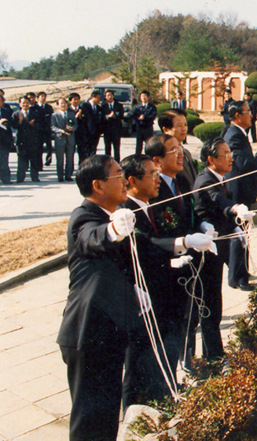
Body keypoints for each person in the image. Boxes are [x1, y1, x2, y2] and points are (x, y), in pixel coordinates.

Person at [56, 155, 139, 441]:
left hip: (108, 331)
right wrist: (113, 231)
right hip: (86, 333)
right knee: (88, 420)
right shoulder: (84, 216)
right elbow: (91, 238)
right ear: (98, 186)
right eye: (118, 175)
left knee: (105, 418)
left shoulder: (114, 212)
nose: (125, 179)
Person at [120, 154, 213, 406]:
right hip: (146, 299)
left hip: (168, 293)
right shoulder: (126, 212)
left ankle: (164, 399)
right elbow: (145, 244)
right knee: (140, 364)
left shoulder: (154, 205)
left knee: (167, 354)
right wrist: (182, 243)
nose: (157, 178)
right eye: (151, 174)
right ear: (132, 181)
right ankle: (134, 417)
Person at [188, 138, 256, 361]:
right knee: (209, 305)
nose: (231, 158)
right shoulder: (206, 179)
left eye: (230, 153)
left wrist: (235, 227)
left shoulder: (219, 177)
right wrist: (236, 208)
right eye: (225, 154)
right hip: (206, 252)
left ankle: (213, 354)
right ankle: (213, 357)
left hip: (218, 245)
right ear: (211, 159)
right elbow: (217, 201)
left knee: (213, 304)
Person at [223, 100, 257, 289]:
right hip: (237, 191)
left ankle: (242, 271)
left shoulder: (240, 133)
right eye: (247, 111)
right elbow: (243, 163)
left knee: (243, 234)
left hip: (243, 190)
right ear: (237, 116)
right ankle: (237, 278)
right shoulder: (233, 135)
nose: (251, 114)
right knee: (238, 235)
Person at [159, 109, 196, 190]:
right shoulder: (164, 155)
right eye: (179, 125)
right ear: (166, 130)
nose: (184, 129)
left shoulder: (186, 152)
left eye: (185, 125)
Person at [12, 96, 41, 182]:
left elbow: (40, 125)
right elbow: (14, 126)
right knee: (21, 160)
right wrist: (20, 122)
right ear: (20, 104)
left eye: (27, 102)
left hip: (32, 141)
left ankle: (35, 177)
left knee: (34, 160)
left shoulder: (34, 113)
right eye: (23, 103)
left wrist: (32, 124)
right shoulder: (16, 114)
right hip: (21, 141)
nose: (25, 104)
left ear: (30, 104)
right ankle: (20, 178)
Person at [51, 97, 77, 182]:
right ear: (58, 105)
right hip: (60, 138)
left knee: (70, 158)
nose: (63, 105)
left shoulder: (71, 114)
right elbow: (52, 126)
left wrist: (72, 128)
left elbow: (76, 124)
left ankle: (68, 175)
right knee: (60, 159)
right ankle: (60, 176)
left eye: (64, 103)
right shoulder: (54, 115)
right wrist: (61, 131)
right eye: (61, 103)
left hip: (70, 138)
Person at [101, 89, 124, 162]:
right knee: (107, 148)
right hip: (107, 130)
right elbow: (101, 117)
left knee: (116, 148)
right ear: (105, 97)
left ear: (113, 96)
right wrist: (108, 116)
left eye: (111, 95)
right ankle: (108, 163)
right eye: (108, 95)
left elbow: (121, 116)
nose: (109, 97)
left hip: (116, 130)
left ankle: (117, 163)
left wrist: (115, 116)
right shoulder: (103, 106)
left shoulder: (119, 105)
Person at [78, 91, 103, 160]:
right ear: (92, 97)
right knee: (84, 152)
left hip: (95, 135)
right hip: (85, 134)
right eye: (98, 98)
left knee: (92, 152)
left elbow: (101, 120)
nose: (99, 100)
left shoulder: (99, 108)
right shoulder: (84, 106)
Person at [132, 91, 157, 155]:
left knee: (149, 145)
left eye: (145, 96)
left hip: (148, 128)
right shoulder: (137, 107)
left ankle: (149, 159)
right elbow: (134, 116)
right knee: (138, 146)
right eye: (142, 96)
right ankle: (138, 159)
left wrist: (144, 117)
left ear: (148, 97)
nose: (143, 98)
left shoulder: (152, 107)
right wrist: (138, 119)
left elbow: (153, 116)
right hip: (140, 128)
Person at [37, 92, 55, 166]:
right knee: (39, 147)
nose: (43, 98)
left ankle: (48, 160)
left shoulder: (49, 107)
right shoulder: (35, 107)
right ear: (38, 98)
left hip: (47, 130)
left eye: (44, 96)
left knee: (49, 147)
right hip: (38, 131)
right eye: (41, 96)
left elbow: (51, 118)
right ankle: (39, 163)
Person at [0, 95, 13, 184]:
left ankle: (6, 179)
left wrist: (5, 124)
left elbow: (11, 123)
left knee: (4, 161)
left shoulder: (7, 112)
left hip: (4, 140)